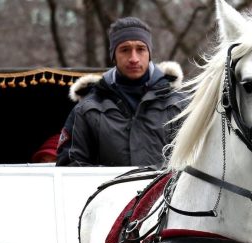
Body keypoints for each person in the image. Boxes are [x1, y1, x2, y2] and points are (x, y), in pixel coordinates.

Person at [56, 16, 186, 167]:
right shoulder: (87, 110)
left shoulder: (179, 106)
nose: (134, 58)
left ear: (149, 53)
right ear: (113, 55)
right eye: (125, 50)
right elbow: (69, 167)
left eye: (140, 49)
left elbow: (196, 163)